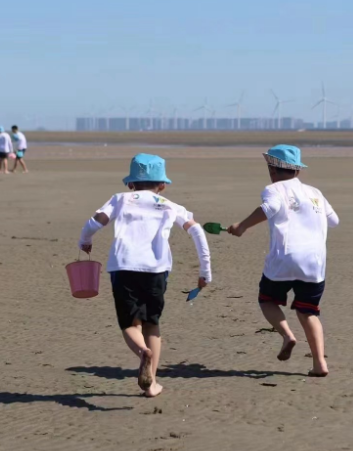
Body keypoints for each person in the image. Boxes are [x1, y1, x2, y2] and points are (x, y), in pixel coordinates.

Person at [78, 154, 213, 398]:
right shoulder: (170, 205)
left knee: (130, 323)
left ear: (130, 183)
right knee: (152, 324)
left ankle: (142, 353)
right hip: (157, 270)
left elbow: (96, 221)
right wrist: (205, 271)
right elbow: (197, 232)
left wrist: (84, 241)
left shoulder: (120, 199)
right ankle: (152, 384)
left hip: (124, 267)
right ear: (162, 185)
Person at [228, 145, 339, 378]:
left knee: (267, 300)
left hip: (285, 258)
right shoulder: (315, 192)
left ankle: (287, 335)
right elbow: (334, 220)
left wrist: (242, 226)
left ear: (272, 170)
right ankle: (319, 363)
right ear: (297, 171)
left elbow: (270, 208)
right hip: (314, 262)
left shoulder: (273, 189)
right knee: (309, 312)